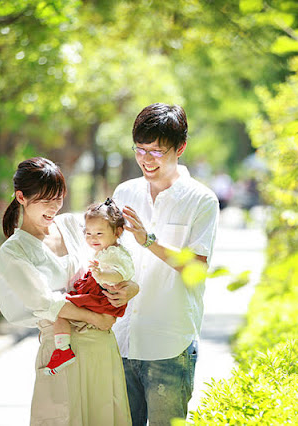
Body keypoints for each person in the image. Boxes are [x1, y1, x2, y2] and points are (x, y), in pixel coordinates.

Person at [0, 157, 136, 426]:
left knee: (104, 415)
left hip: (100, 346)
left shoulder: (72, 225)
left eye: (58, 198)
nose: (54, 207)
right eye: (45, 200)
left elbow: (113, 254)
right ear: (21, 197)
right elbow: (44, 302)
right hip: (63, 349)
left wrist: (131, 287)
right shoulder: (14, 251)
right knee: (63, 418)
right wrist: (97, 318)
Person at [112, 103, 220, 425]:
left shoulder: (201, 200)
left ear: (180, 148)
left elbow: (197, 269)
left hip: (169, 347)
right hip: (120, 340)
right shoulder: (125, 192)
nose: (146, 160)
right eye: (140, 150)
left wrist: (149, 240)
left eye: (157, 151)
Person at [44, 198, 135, 376]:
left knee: (57, 307)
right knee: (59, 309)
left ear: (118, 232)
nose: (92, 238)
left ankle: (63, 350)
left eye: (99, 234)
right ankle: (63, 349)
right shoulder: (104, 250)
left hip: (102, 298)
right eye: (88, 233)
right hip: (97, 293)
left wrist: (101, 274)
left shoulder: (117, 254)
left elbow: (120, 274)